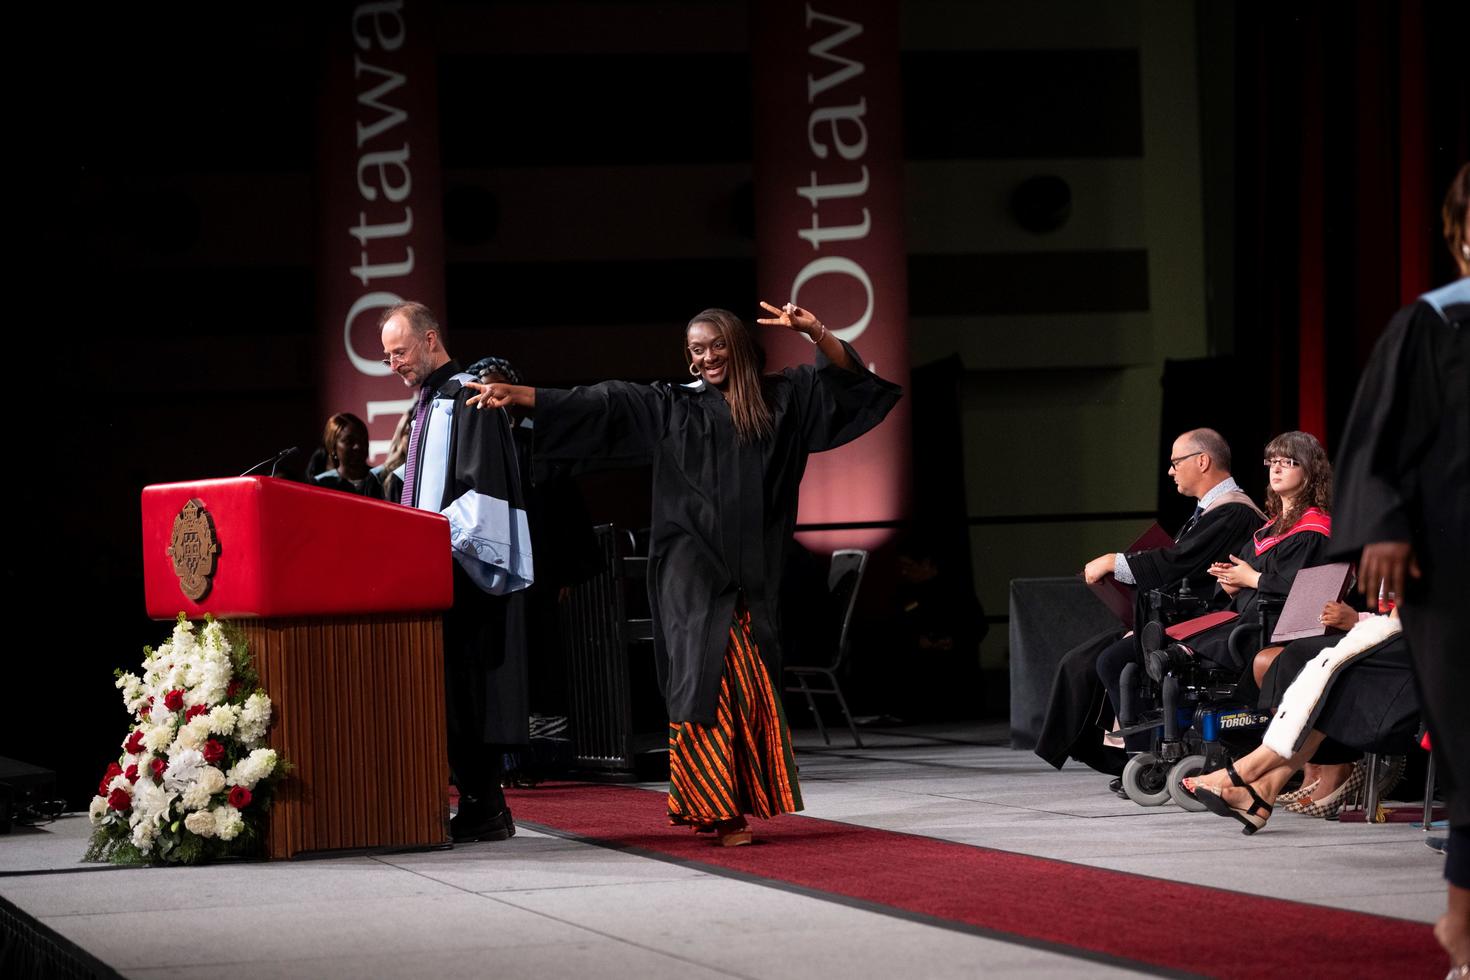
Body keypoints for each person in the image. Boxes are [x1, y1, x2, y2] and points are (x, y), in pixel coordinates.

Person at [467, 302, 901, 845]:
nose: (707, 356)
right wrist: (521, 395)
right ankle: (718, 809)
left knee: (744, 684)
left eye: (716, 345)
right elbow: (602, 403)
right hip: (689, 568)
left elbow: (847, 381)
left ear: (738, 346)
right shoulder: (673, 406)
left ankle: (728, 797)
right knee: (703, 679)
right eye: (696, 349)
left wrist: (816, 330)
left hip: (753, 573)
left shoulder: (782, 399)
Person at [1328, 162, 1470, 974]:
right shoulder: (1433, 327)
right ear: (1459, 233)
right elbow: (1373, 446)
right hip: (1455, 573)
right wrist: (1382, 525)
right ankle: (1465, 926)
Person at [380, 301, 534, 844]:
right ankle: (476, 803)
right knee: (451, 693)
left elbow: (483, 487)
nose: (394, 363)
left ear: (429, 339)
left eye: (399, 351)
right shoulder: (427, 406)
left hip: (465, 572)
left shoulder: (469, 396)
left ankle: (486, 806)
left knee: (470, 692)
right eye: (387, 356)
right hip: (436, 571)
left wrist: (430, 540)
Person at [1034, 428, 1264, 781]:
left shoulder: (1234, 511)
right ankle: (1122, 756)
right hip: (1181, 619)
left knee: (1112, 661)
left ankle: (1142, 760)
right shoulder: (1209, 511)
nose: (1171, 472)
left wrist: (1114, 561)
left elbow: (1178, 562)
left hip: (1212, 624)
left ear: (1202, 461)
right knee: (1078, 662)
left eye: (1176, 462)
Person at [1180, 611, 1416, 833]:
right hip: (1403, 633)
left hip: (1433, 647)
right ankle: (1262, 790)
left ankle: (1250, 773)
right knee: (1315, 661)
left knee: (1338, 673)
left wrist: (1359, 618)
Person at [1137, 430, 1333, 683]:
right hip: (1249, 616)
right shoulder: (1268, 529)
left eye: (1287, 462)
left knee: (1220, 637)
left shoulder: (1314, 530)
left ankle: (1179, 653)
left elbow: (1306, 592)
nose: (1276, 469)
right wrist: (1232, 584)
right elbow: (1250, 576)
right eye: (1273, 462)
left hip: (1278, 626)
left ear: (1309, 471)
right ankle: (1174, 651)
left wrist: (1252, 579)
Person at [313, 412, 387, 499]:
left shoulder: (382, 479)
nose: (358, 446)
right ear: (333, 447)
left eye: (363, 439)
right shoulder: (320, 485)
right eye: (349, 441)